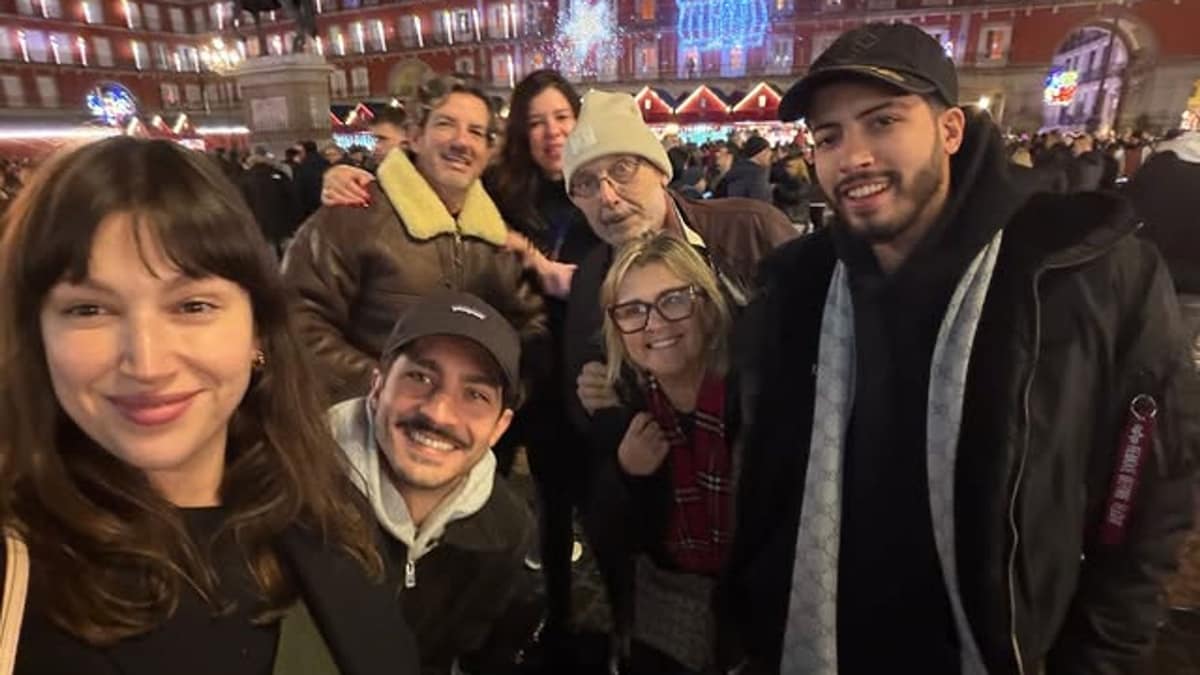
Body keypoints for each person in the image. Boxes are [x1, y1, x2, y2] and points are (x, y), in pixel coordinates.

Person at [723, 23, 1198, 675]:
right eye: (828, 137)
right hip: (829, 641)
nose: (852, 155)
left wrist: (1101, 657)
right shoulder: (797, 286)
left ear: (950, 131)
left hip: (1007, 646)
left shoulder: (1080, 271)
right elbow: (767, 471)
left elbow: (1148, 492)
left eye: (882, 121)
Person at [0, 137, 418, 673]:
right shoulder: (20, 575)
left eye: (192, 305)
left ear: (258, 332)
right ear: (35, 336)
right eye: (89, 310)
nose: (146, 362)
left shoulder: (326, 507)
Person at [281, 75, 547, 403]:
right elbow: (296, 321)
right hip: (362, 433)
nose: (462, 142)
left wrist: (499, 391)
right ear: (416, 137)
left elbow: (530, 323)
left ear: (487, 151)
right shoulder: (353, 214)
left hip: (464, 434)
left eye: (476, 132)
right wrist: (392, 391)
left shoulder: (494, 236)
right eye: (446, 124)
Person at [328, 290, 539, 675]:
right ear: (377, 388)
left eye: (474, 394)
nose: (439, 413)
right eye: (420, 377)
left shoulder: (506, 529)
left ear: (500, 427)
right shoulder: (291, 491)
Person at [477, 69, 600, 667]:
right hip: (504, 368)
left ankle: (561, 617)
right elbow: (427, 193)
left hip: (567, 375)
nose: (551, 132)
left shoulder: (600, 186)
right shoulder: (500, 191)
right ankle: (477, 611)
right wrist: (349, 179)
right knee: (480, 494)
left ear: (577, 120)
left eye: (560, 118)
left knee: (557, 501)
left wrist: (548, 269)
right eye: (535, 122)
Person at [580, 233, 740, 674]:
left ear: (707, 303)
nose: (653, 324)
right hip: (673, 600)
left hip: (765, 597)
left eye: (673, 300)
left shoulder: (756, 394)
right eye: (632, 311)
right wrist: (627, 473)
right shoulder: (624, 408)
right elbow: (606, 536)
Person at [238, 145, 300, 258]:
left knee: (268, 254)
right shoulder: (280, 175)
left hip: (259, 225)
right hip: (283, 222)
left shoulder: (244, 179)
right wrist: (294, 222)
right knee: (287, 254)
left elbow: (242, 203)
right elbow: (292, 198)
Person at [712, 136, 773, 203]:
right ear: (763, 152)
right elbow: (761, 206)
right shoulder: (757, 175)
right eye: (769, 150)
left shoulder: (737, 169)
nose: (771, 154)